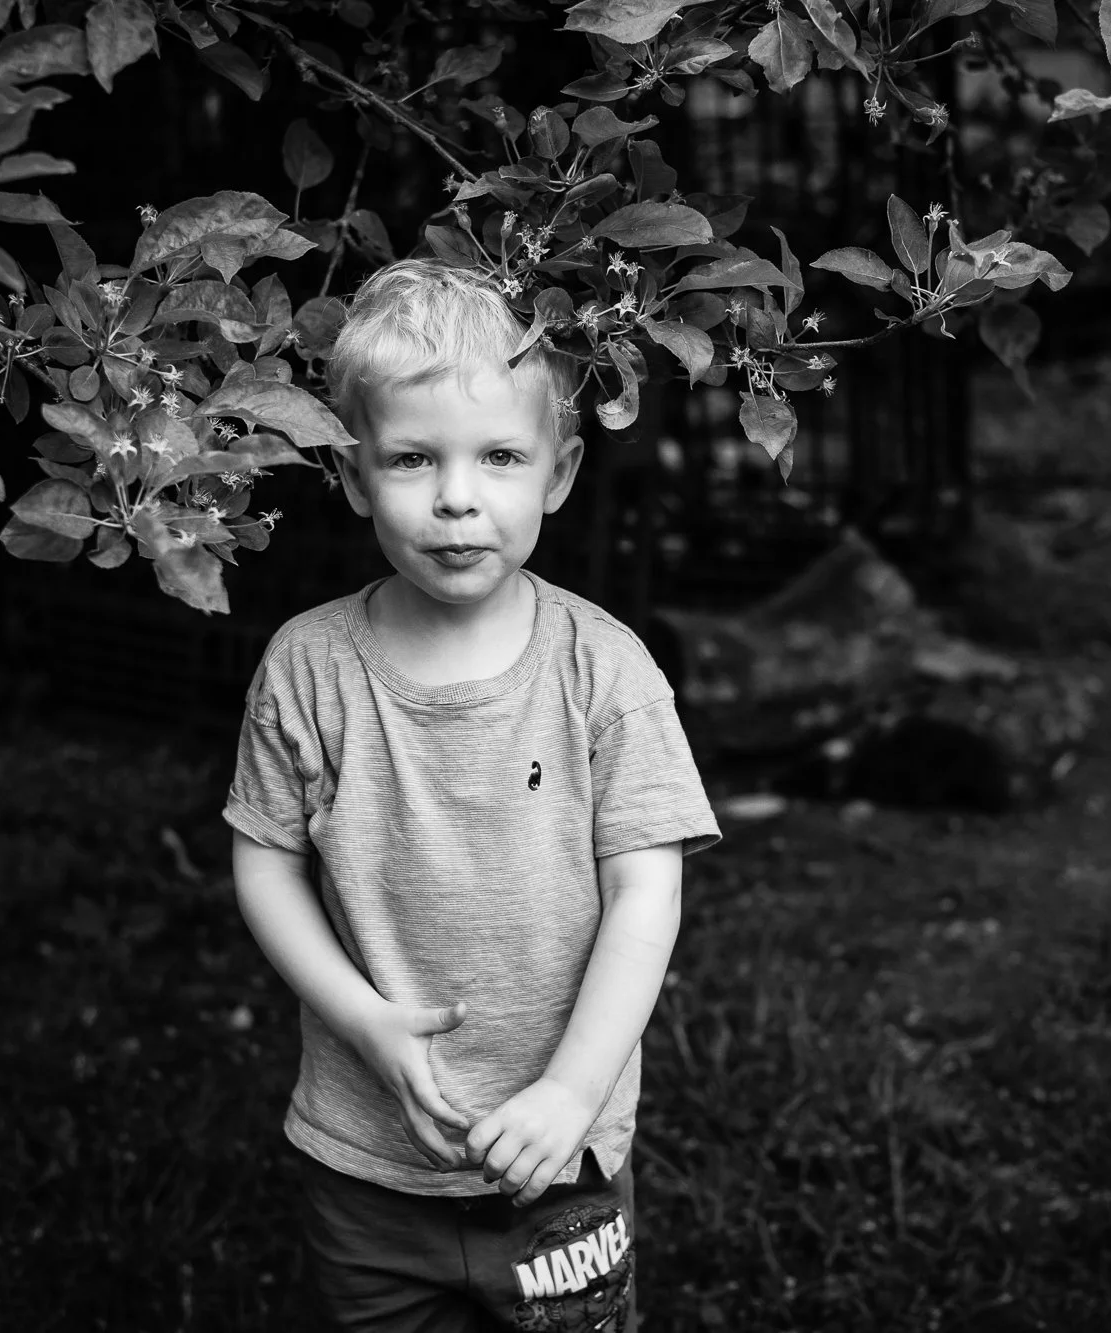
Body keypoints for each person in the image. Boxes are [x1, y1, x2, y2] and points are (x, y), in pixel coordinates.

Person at [223, 259, 720, 1332]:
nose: (456, 495)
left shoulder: (604, 669)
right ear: (353, 478)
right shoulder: (309, 667)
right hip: (364, 1161)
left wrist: (568, 1093)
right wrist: (360, 1018)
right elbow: (264, 859)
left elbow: (646, 895)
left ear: (558, 470)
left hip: (560, 1157)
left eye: (498, 455)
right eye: (410, 458)